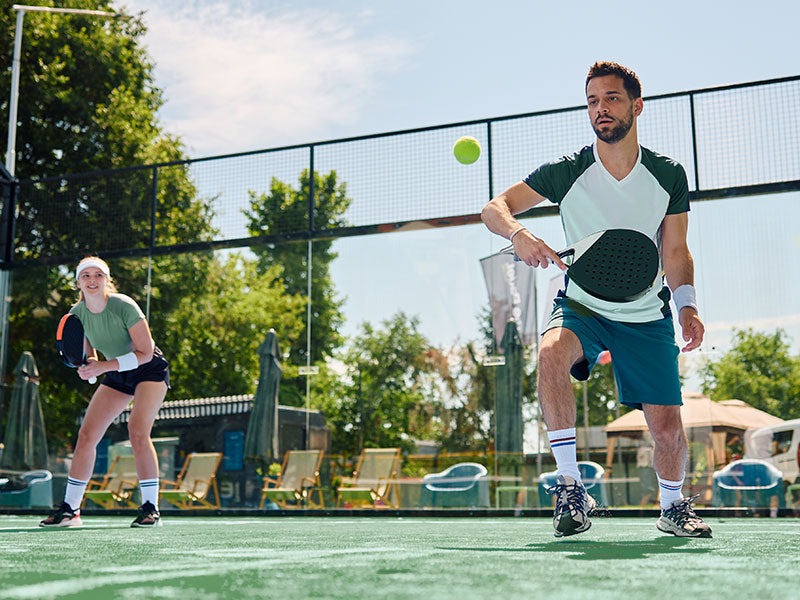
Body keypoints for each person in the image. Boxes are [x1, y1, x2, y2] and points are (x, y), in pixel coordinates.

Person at [481, 61, 711, 538]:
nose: (600, 109)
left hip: (647, 313)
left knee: (667, 428)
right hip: (583, 303)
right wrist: (519, 234)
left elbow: (675, 249)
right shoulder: (567, 171)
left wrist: (686, 305)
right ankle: (570, 487)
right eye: (592, 101)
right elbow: (494, 207)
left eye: (611, 98)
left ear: (636, 106)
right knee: (549, 353)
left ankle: (673, 507)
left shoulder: (668, 174)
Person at [40, 256, 169, 528]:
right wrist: (88, 370)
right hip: (116, 373)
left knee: (137, 430)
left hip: (150, 370)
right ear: (78, 283)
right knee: (86, 435)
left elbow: (145, 353)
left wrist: (102, 367)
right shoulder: (76, 315)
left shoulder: (124, 305)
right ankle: (71, 511)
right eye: (85, 275)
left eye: (98, 275)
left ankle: (151, 508)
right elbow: (89, 356)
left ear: (107, 280)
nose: (92, 280)